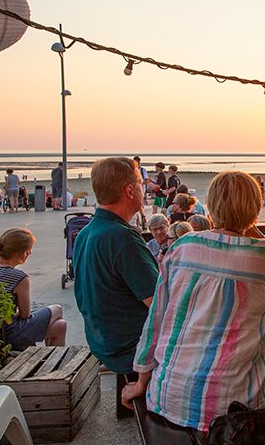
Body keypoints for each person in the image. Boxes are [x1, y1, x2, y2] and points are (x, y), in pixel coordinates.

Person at [122, 171, 265, 437]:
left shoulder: (182, 246)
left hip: (169, 396)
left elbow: (157, 317)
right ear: (255, 209)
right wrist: (254, 231)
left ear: (210, 206)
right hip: (233, 405)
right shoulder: (263, 254)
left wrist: (142, 380)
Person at [73, 157, 159, 378]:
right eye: (140, 184)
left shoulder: (86, 233)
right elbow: (160, 304)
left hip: (102, 342)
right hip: (130, 350)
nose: (143, 189)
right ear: (129, 190)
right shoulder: (122, 238)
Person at [0, 228, 67, 350]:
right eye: (29, 249)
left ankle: (49, 361)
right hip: (7, 334)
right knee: (57, 309)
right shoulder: (19, 278)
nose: (30, 253)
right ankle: (52, 364)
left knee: (60, 326)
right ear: (21, 252)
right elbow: (25, 315)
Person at [133, 157, 149, 228]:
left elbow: (147, 180)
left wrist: (140, 183)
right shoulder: (131, 170)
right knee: (135, 206)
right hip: (133, 190)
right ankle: (139, 221)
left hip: (141, 191)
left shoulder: (143, 170)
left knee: (140, 206)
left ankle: (143, 220)